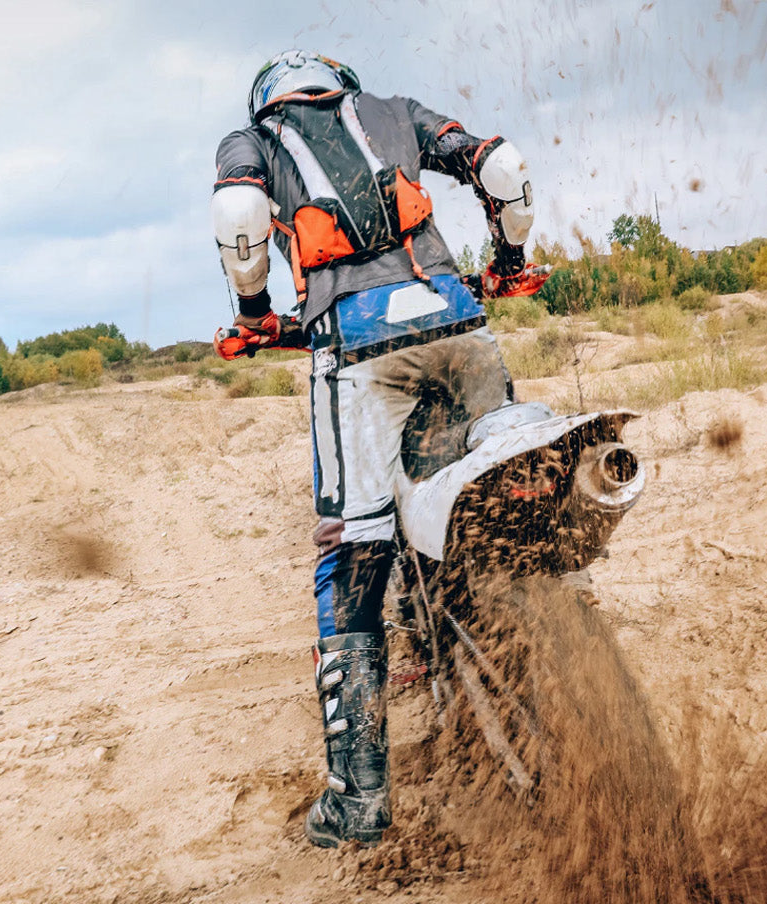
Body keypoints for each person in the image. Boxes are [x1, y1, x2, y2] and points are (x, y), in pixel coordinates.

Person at [208, 50, 545, 848]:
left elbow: (239, 220)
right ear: (341, 87)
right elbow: (500, 164)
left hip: (358, 354)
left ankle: (357, 800)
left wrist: (255, 309)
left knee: (351, 553)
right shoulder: (394, 111)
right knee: (506, 478)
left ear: (270, 102)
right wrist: (508, 260)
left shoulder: (251, 142)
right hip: (459, 326)